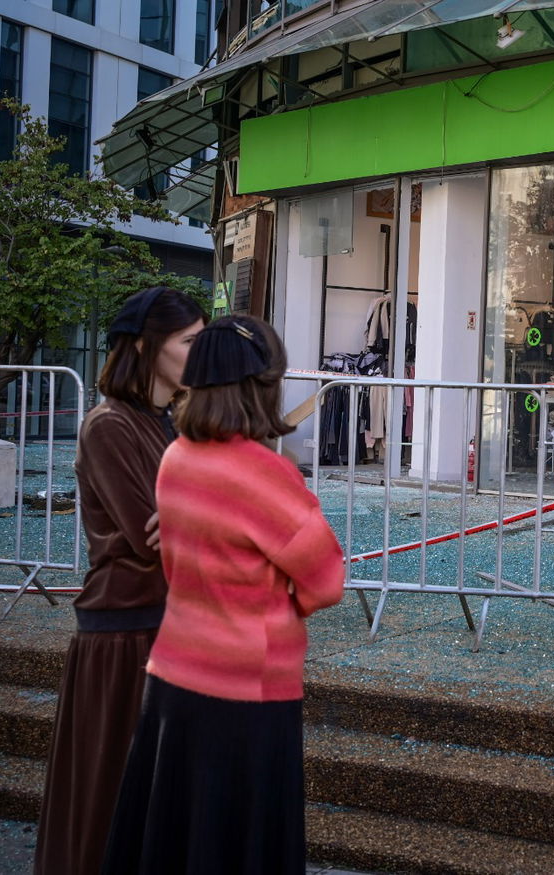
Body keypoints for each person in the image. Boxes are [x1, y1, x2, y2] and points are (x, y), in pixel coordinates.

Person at [101, 315, 345, 874]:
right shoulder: (266, 473)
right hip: (249, 685)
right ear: (265, 384)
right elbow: (326, 580)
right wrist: (288, 591)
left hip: (176, 675)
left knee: (177, 834)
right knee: (241, 844)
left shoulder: (177, 458)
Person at [35, 286, 206, 875]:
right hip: (125, 632)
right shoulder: (110, 424)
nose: (200, 352)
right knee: (114, 799)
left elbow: (184, 526)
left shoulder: (168, 425)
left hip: (163, 625)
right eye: (189, 341)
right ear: (144, 346)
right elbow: (149, 534)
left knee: (154, 803)